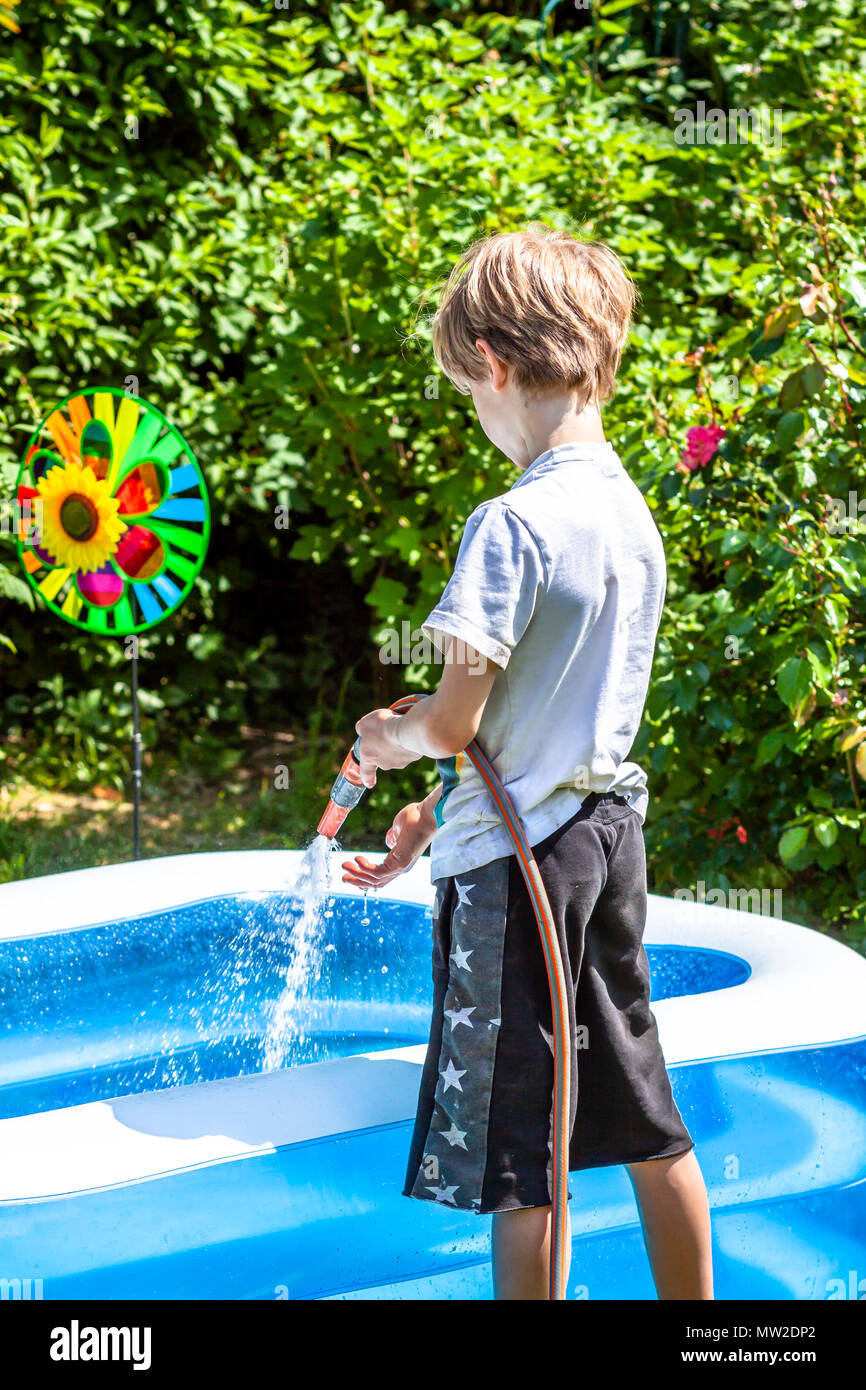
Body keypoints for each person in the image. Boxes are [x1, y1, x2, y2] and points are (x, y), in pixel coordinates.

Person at [341, 224, 713, 1301]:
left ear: (493, 362)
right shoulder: (628, 514)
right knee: (645, 1116)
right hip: (602, 842)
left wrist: (388, 739)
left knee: (521, 1156)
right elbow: (545, 718)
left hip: (515, 878)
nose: (476, 411)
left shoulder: (509, 524)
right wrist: (430, 814)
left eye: (467, 388)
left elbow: (455, 723)